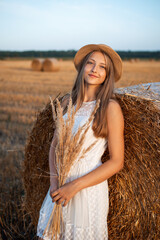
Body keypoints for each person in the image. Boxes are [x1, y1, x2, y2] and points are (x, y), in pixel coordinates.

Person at [37, 44, 124, 240]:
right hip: (60, 186)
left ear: (107, 75)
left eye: (102, 67)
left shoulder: (110, 107)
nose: (95, 69)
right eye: (90, 63)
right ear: (82, 67)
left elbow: (117, 161)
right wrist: (54, 183)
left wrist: (74, 186)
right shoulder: (67, 102)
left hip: (87, 188)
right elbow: (55, 146)